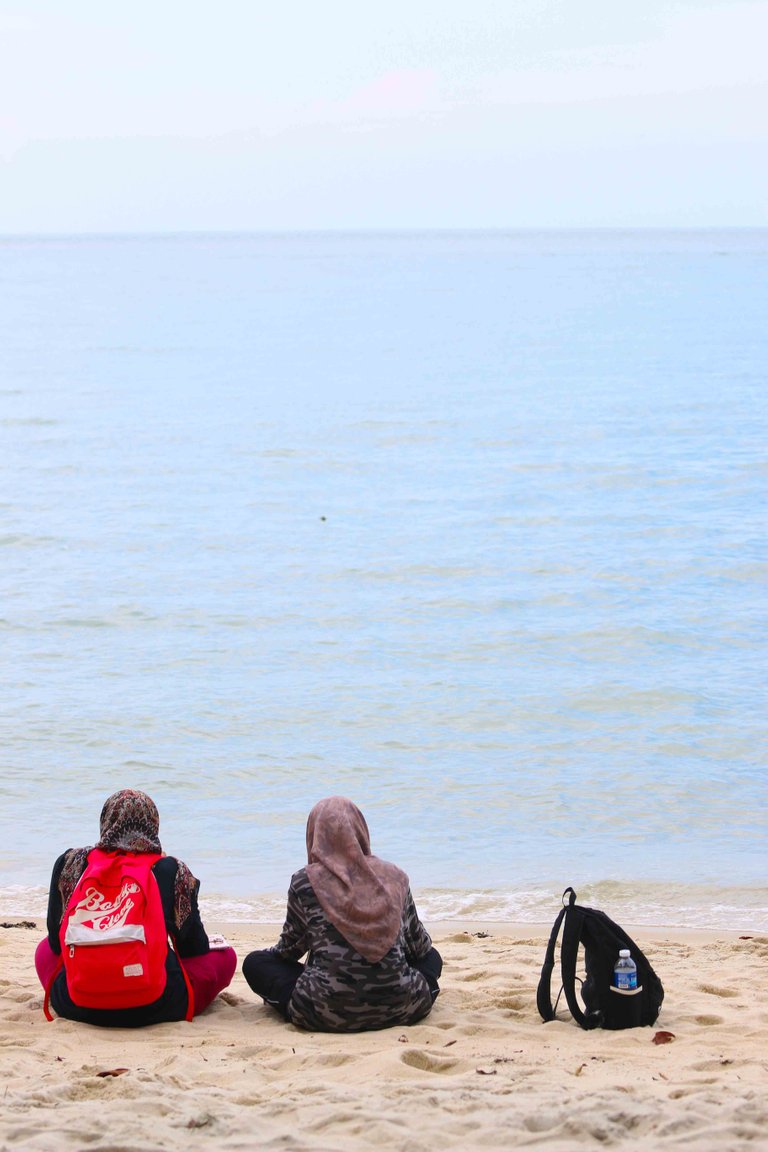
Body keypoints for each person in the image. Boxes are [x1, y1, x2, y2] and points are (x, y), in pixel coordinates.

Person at [36, 788, 237, 1026]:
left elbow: (56, 942)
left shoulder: (71, 863)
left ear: (105, 821)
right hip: (155, 1005)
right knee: (226, 956)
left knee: (43, 951)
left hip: (75, 1003)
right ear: (153, 824)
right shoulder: (171, 870)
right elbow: (193, 947)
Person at [242, 796, 442, 1032]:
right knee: (433, 958)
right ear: (360, 830)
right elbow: (419, 947)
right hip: (404, 1006)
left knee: (255, 963)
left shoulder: (304, 882)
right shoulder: (395, 876)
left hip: (323, 1011)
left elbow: (288, 951)